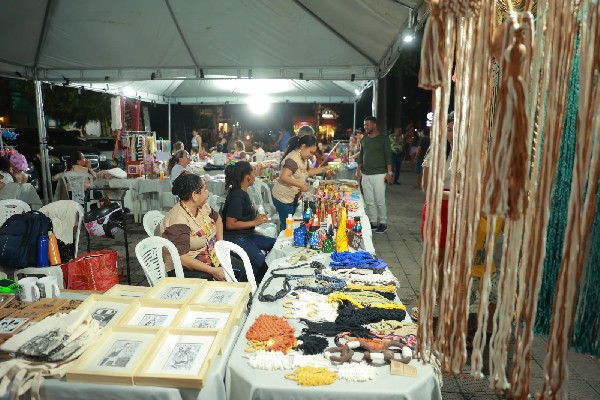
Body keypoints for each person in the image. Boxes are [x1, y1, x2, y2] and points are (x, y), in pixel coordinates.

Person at [160, 174, 225, 281]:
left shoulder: (202, 207)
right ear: (194, 195)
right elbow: (183, 259)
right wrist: (213, 271)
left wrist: (220, 245)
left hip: (209, 256)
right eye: (205, 189)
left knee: (240, 267)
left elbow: (218, 219)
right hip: (184, 268)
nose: (207, 192)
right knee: (224, 277)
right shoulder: (178, 220)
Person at [221, 161, 275, 283]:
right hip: (235, 238)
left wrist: (254, 230)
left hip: (247, 235)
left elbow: (243, 219)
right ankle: (256, 288)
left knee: (274, 244)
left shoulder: (243, 193)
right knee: (262, 263)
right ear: (248, 177)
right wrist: (255, 222)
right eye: (253, 172)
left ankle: (256, 277)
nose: (255, 175)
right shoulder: (237, 196)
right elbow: (230, 224)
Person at [271, 135, 331, 225]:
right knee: (288, 225)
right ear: (303, 147)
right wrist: (301, 185)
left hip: (291, 197)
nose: (311, 155)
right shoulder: (293, 159)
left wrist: (324, 169)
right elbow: (284, 177)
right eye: (310, 152)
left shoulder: (302, 157)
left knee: (292, 222)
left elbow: (306, 172)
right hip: (282, 198)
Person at [355, 116, 392, 234]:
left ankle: (383, 223)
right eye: (365, 125)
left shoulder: (383, 139)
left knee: (379, 200)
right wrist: (358, 171)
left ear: (374, 125)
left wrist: (389, 173)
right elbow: (361, 156)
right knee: (369, 200)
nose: (366, 127)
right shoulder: (364, 139)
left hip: (380, 174)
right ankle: (373, 222)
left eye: (368, 125)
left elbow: (388, 156)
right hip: (365, 174)